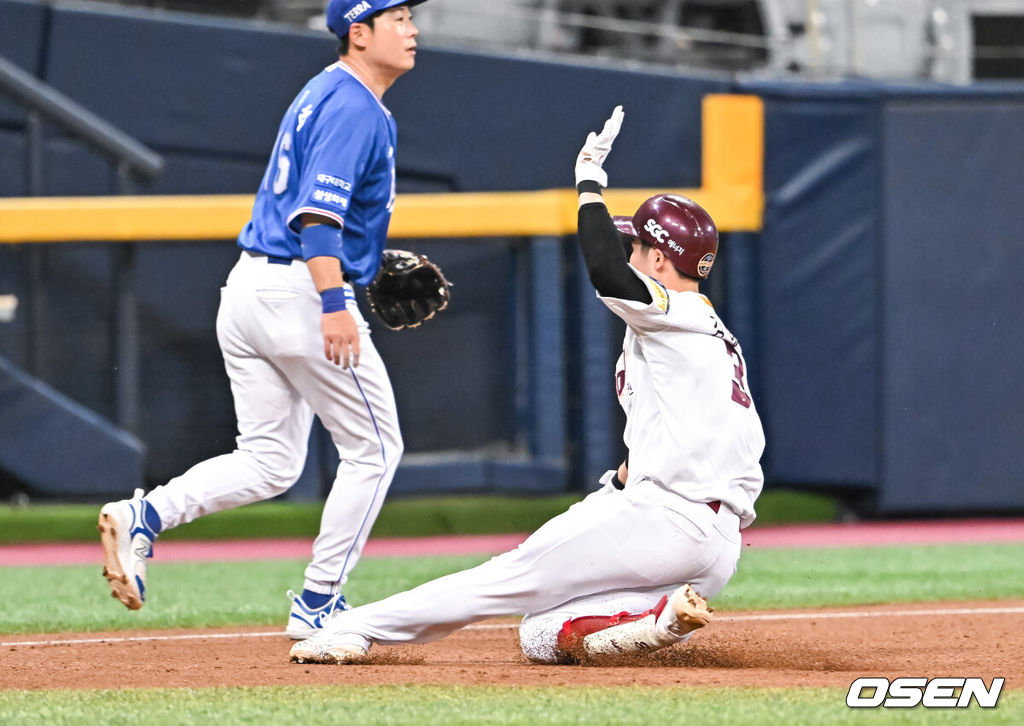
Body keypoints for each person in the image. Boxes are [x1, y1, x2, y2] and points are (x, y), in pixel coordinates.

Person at [288, 105, 766, 665]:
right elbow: (674, 437)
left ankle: (354, 628)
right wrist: (615, 487)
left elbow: (607, 273)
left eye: (637, 246)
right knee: (541, 634)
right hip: (715, 550)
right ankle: (652, 621)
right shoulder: (703, 334)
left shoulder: (673, 312)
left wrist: (589, 183)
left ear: (659, 258)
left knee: (506, 577)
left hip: (667, 520)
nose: (628, 252)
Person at [97, 0, 428, 640]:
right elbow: (316, 217)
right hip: (301, 291)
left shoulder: (323, 92)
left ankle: (145, 513)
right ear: (358, 34)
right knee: (376, 449)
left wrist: (360, 262)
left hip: (250, 287)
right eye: (398, 18)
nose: (413, 29)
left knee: (272, 461)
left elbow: (314, 211)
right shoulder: (355, 106)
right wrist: (335, 302)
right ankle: (320, 601)